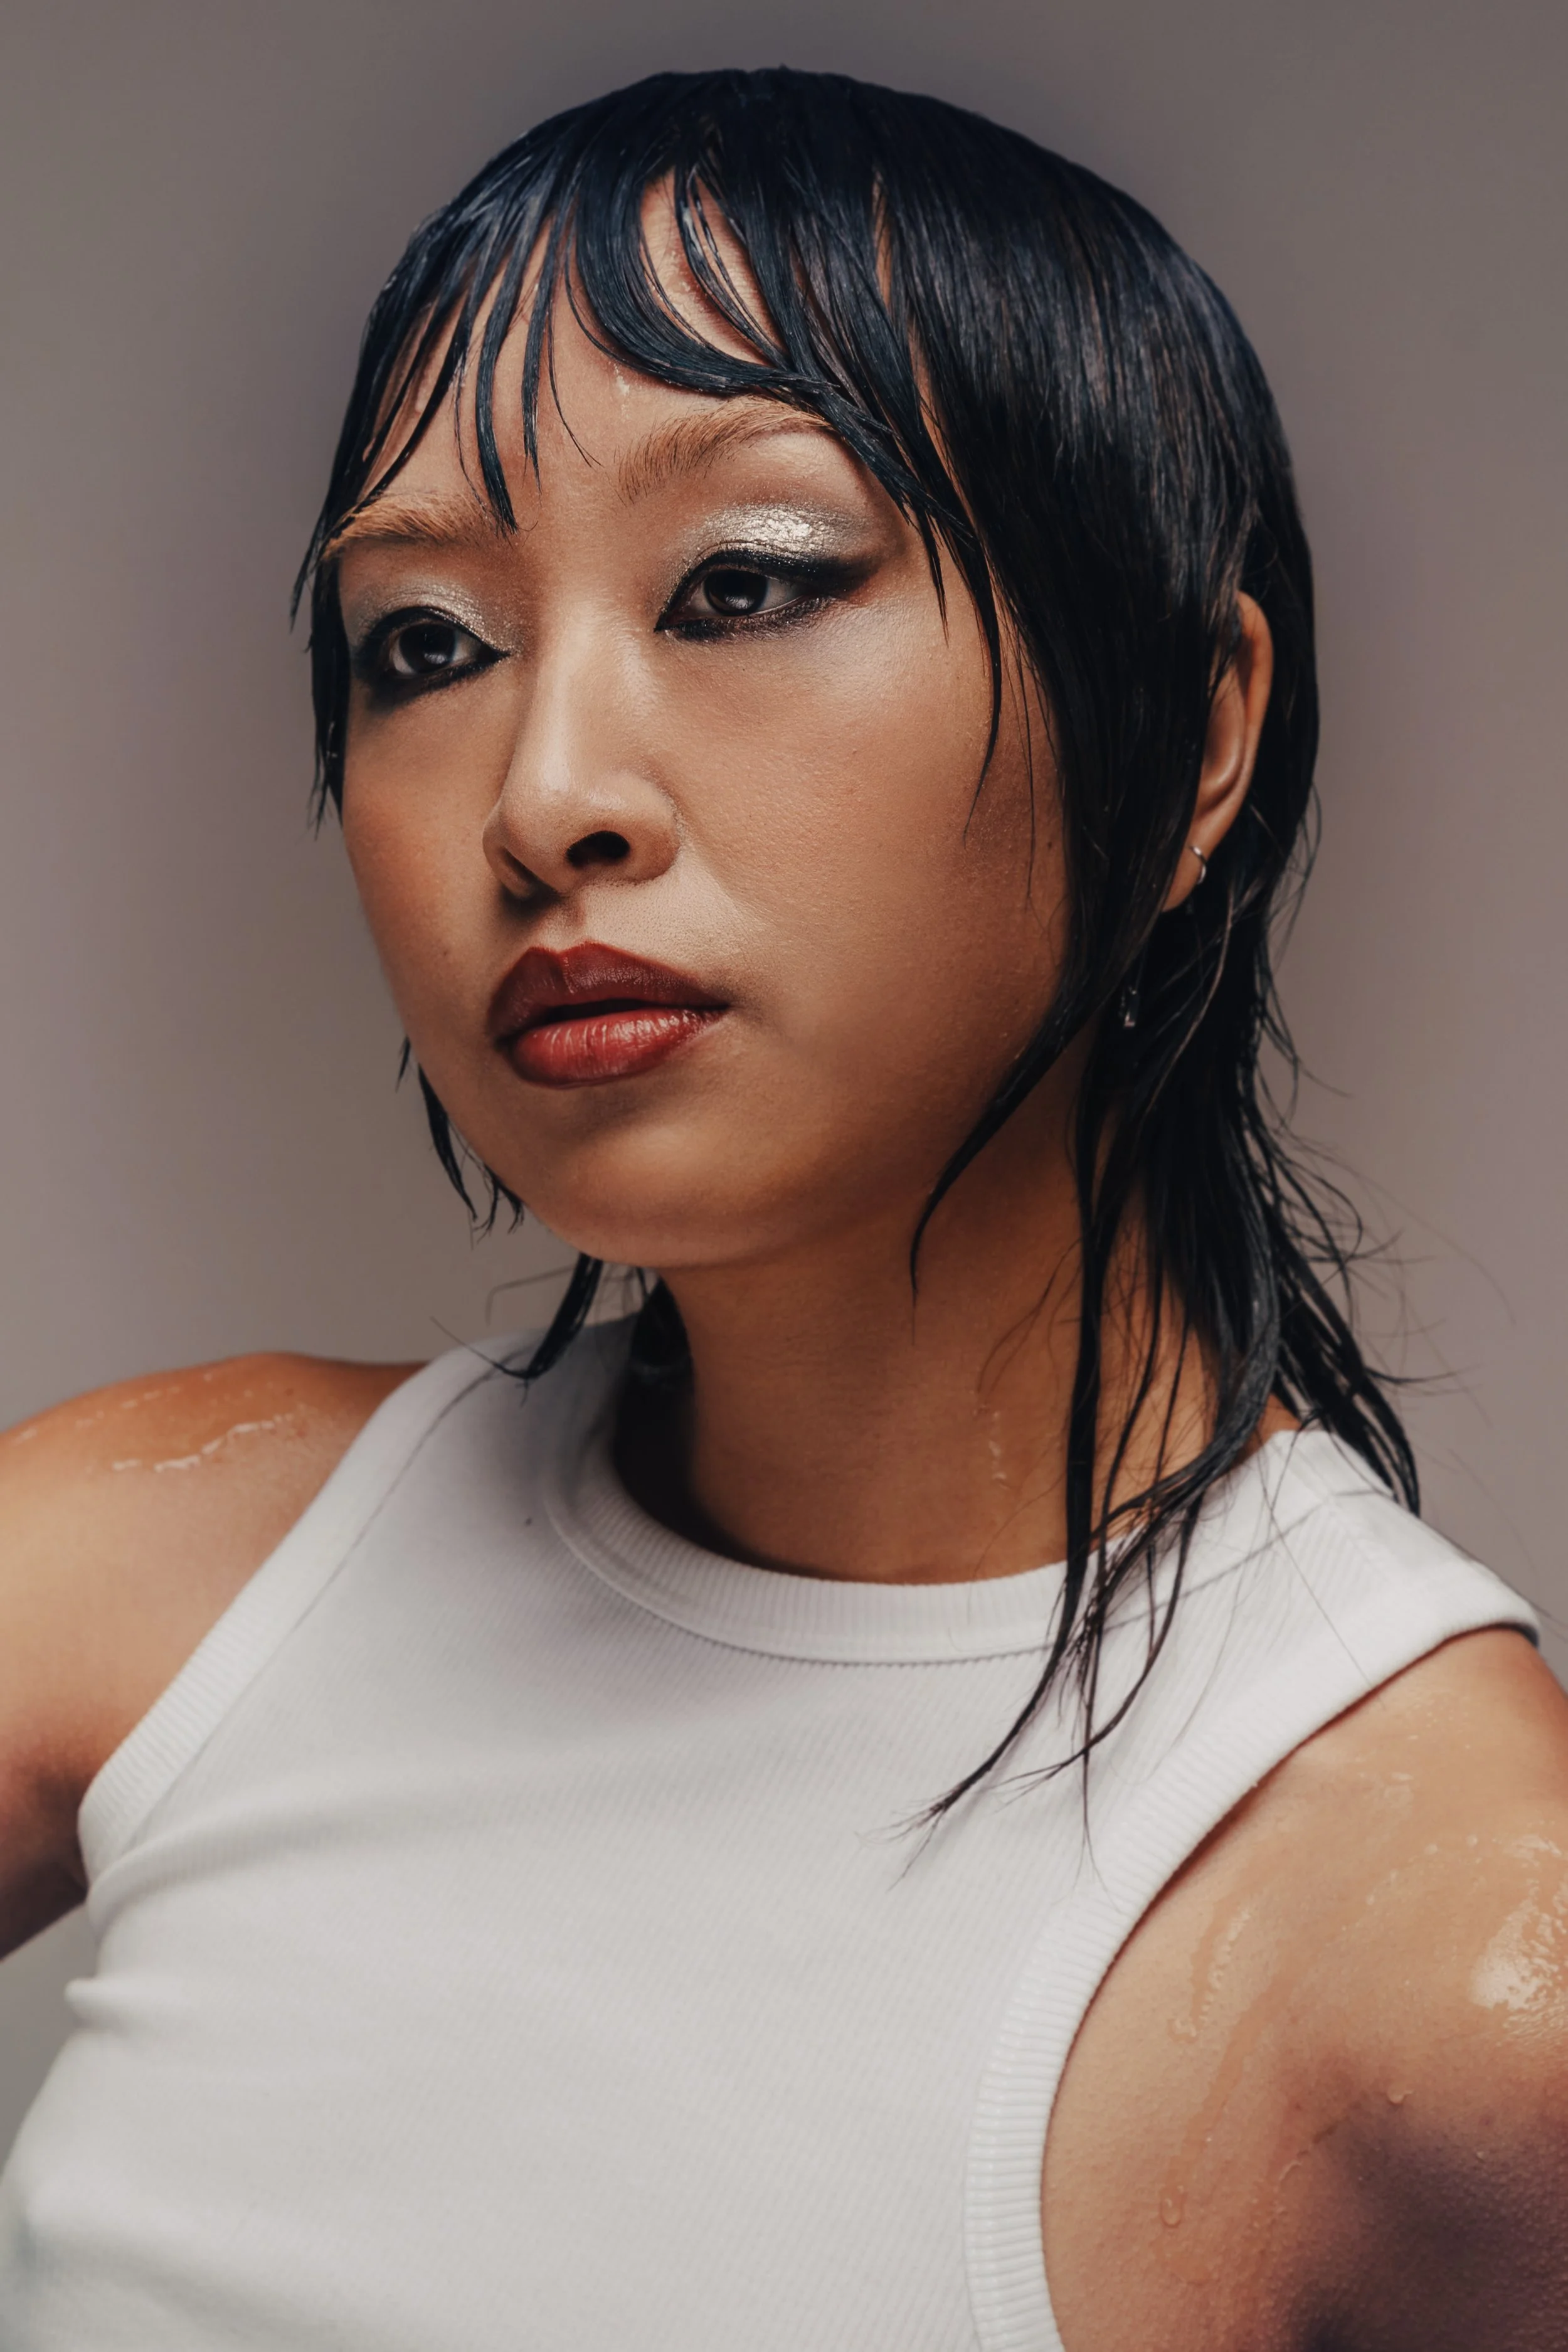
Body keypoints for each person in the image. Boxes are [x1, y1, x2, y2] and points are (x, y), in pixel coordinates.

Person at [1, 65, 1564, 2351]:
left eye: (744, 581)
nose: (545, 796)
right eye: (424, 643)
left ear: (1193, 729)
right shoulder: (147, 1569)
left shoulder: (1446, 1952)